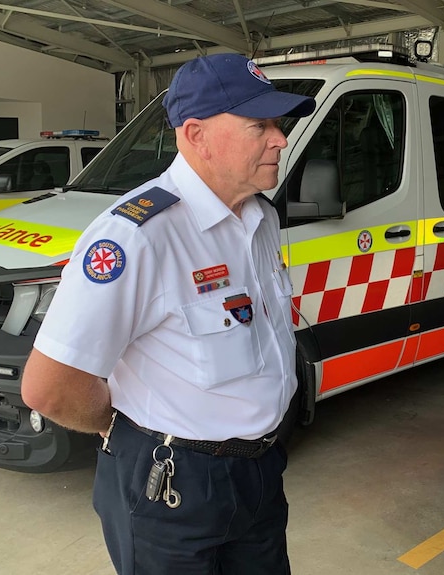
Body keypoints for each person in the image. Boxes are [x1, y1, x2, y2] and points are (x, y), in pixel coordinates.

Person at [21, 53, 315, 574]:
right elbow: (50, 386)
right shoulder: (138, 235)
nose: (280, 139)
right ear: (196, 134)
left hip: (262, 473)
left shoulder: (259, 216)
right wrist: (126, 433)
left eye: (278, 124)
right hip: (173, 484)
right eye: (259, 125)